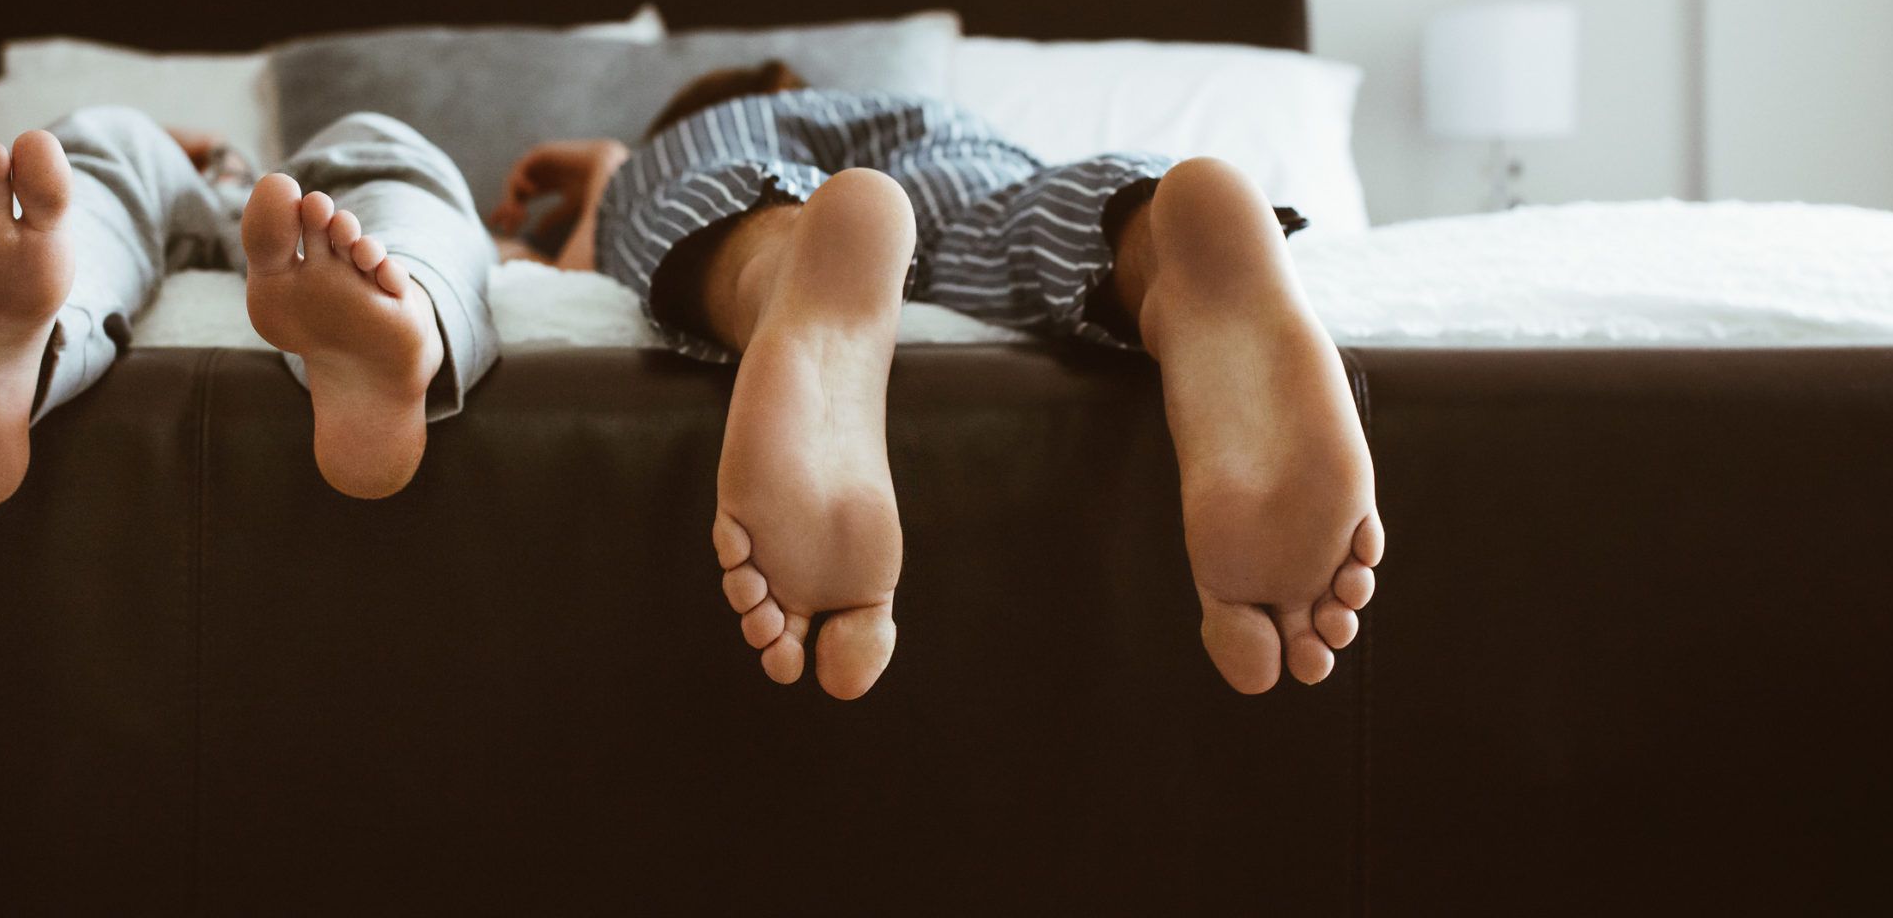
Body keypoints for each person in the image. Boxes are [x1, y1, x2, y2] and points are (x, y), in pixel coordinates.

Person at [488, 62, 1382, 703]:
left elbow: (564, 274)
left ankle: (782, 264)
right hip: (958, 147)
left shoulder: (694, 130)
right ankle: (1156, 246)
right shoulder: (913, 107)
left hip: (710, 151)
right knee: (1021, 214)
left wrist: (611, 176)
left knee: (722, 207)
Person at [0, 106, 495, 508]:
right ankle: (410, 292)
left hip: (297, 222)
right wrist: (190, 151)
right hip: (298, 228)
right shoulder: (174, 159)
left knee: (108, 147)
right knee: (381, 154)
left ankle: (400, 316)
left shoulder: (266, 174)